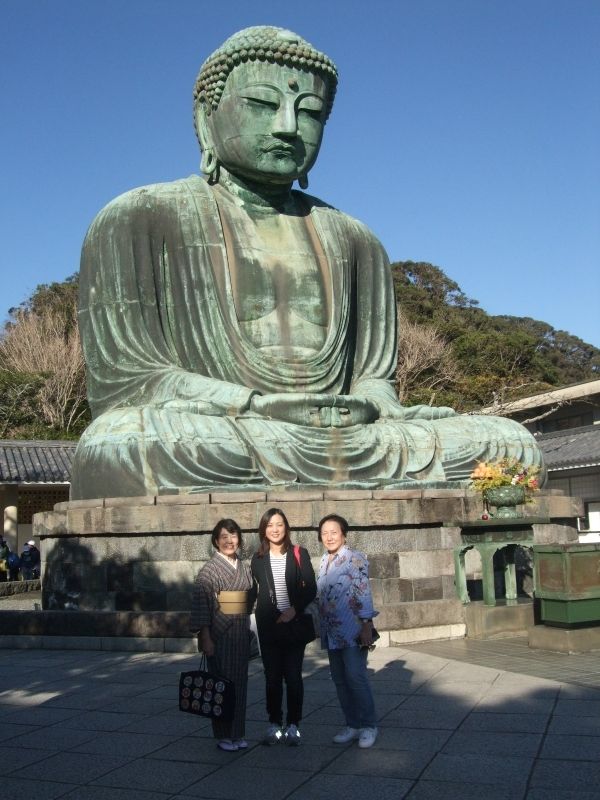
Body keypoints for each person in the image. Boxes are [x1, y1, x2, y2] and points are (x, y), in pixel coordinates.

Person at [71, 25, 545, 499]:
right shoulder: (138, 218)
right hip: (224, 430)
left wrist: (379, 405)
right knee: (123, 442)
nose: (286, 127)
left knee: (508, 443)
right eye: (261, 104)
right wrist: (256, 404)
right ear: (204, 119)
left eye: (310, 113)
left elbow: (373, 377)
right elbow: (131, 383)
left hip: (350, 437)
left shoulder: (356, 239)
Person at [250, 508, 316, 745]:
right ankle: (274, 722)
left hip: (293, 624)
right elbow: (251, 590)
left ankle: (294, 724)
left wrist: (293, 609)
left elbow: (310, 588)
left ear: (286, 528)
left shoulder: (299, 553)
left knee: (294, 677)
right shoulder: (257, 558)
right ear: (263, 530)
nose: (274, 529)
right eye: (269, 525)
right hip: (268, 625)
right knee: (272, 678)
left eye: (279, 524)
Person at [190, 518, 252, 752]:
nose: (229, 541)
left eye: (233, 536)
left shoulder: (243, 566)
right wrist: (206, 637)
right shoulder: (209, 570)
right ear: (216, 541)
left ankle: (238, 733)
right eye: (224, 537)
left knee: (240, 684)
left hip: (240, 633)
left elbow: (248, 601)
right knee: (221, 684)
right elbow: (202, 605)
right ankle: (224, 735)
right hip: (219, 633)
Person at [317, 513, 378, 749]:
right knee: (340, 680)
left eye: (334, 532)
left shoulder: (355, 558)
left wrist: (366, 625)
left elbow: (363, 591)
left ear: (343, 534)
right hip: (332, 631)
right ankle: (352, 724)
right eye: (324, 533)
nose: (329, 537)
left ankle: (368, 725)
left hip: (352, 629)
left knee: (356, 677)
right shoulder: (324, 561)